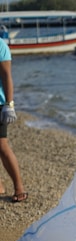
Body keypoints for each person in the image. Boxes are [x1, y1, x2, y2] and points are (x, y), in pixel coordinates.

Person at [0, 38, 27, 203]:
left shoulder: (1, 45)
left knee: (2, 146)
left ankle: (19, 187)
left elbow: (6, 75)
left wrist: (9, 104)